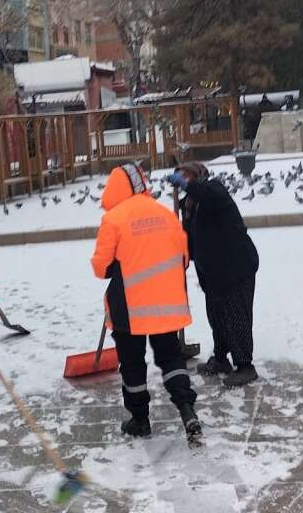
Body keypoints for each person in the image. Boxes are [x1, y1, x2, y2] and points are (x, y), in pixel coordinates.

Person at [91, 163, 202, 444]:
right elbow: (184, 257)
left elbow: (101, 268)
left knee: (132, 363)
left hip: (129, 307)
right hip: (167, 303)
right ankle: (187, 408)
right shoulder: (165, 213)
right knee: (170, 357)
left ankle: (140, 419)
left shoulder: (114, 218)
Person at [167, 162, 260, 387]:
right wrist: (182, 252)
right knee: (217, 317)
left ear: (197, 176)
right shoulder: (190, 205)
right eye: (180, 177)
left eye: (186, 176)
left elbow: (205, 193)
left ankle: (245, 366)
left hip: (236, 268)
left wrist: (187, 186)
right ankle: (221, 359)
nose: (183, 181)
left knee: (237, 317)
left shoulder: (213, 190)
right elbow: (190, 237)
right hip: (214, 274)